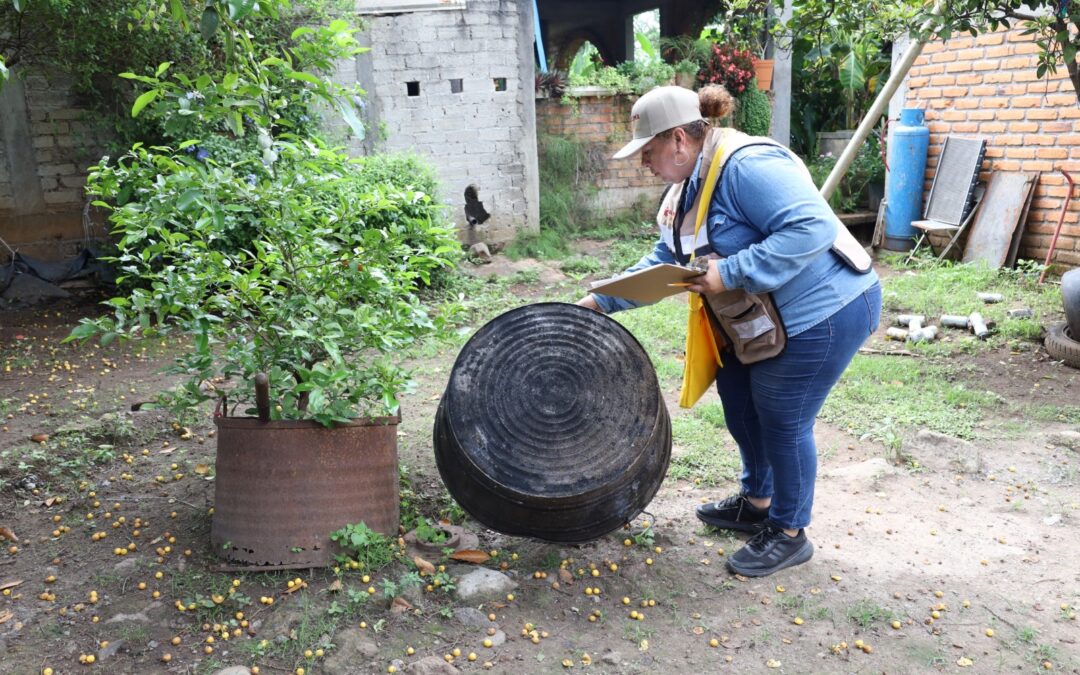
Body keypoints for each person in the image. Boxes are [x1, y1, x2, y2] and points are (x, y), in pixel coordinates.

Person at [576, 85, 882, 577]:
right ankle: (757, 502)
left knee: (782, 416)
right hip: (761, 318)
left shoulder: (746, 166)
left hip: (827, 308)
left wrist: (732, 271)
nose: (644, 163)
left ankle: (789, 532)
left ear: (679, 140)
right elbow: (668, 259)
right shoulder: (687, 186)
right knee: (738, 398)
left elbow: (812, 229)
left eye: (648, 151)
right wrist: (599, 300)